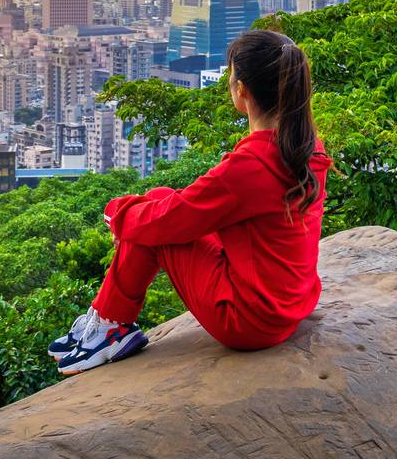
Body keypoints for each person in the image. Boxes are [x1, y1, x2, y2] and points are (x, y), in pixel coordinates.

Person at [48, 28, 332, 375]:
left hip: (250, 321)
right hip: (289, 302)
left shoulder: (251, 166)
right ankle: (106, 319)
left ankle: (110, 325)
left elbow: (170, 221)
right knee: (159, 202)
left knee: (152, 224)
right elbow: (185, 208)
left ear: (241, 91)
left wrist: (117, 214)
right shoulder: (305, 145)